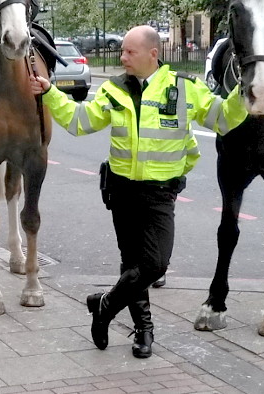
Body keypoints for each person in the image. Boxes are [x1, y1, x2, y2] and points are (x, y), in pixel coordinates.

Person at [30, 25, 249, 358]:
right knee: (131, 263)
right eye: (122, 51)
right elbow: (80, 121)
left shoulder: (184, 88)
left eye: (129, 52)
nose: (123, 57)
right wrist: (49, 92)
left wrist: (245, 89)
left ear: (153, 54)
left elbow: (223, 118)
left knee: (155, 265)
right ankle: (144, 331)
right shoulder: (113, 89)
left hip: (160, 193)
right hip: (121, 190)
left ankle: (103, 306)